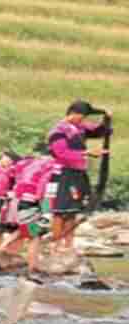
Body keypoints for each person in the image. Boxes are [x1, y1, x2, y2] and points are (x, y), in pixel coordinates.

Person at [47, 100, 111, 254]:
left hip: (78, 174)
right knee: (60, 211)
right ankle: (55, 247)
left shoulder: (79, 128)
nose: (84, 120)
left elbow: (100, 132)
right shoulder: (58, 131)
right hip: (63, 174)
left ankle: (68, 247)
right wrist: (87, 153)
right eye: (82, 116)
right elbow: (61, 153)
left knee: (72, 211)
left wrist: (106, 119)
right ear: (73, 113)